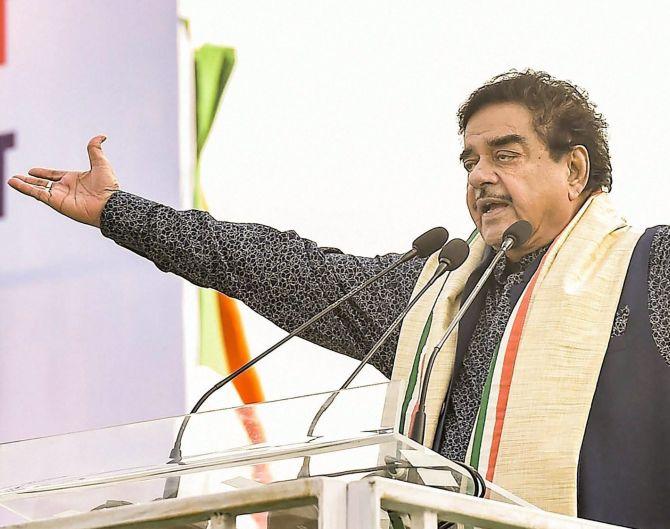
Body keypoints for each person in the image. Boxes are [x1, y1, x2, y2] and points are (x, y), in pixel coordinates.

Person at [8, 70, 670, 529]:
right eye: (469, 161)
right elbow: (282, 266)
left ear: (574, 169)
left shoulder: (650, 269)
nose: (481, 178)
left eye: (506, 154)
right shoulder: (438, 292)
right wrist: (122, 213)